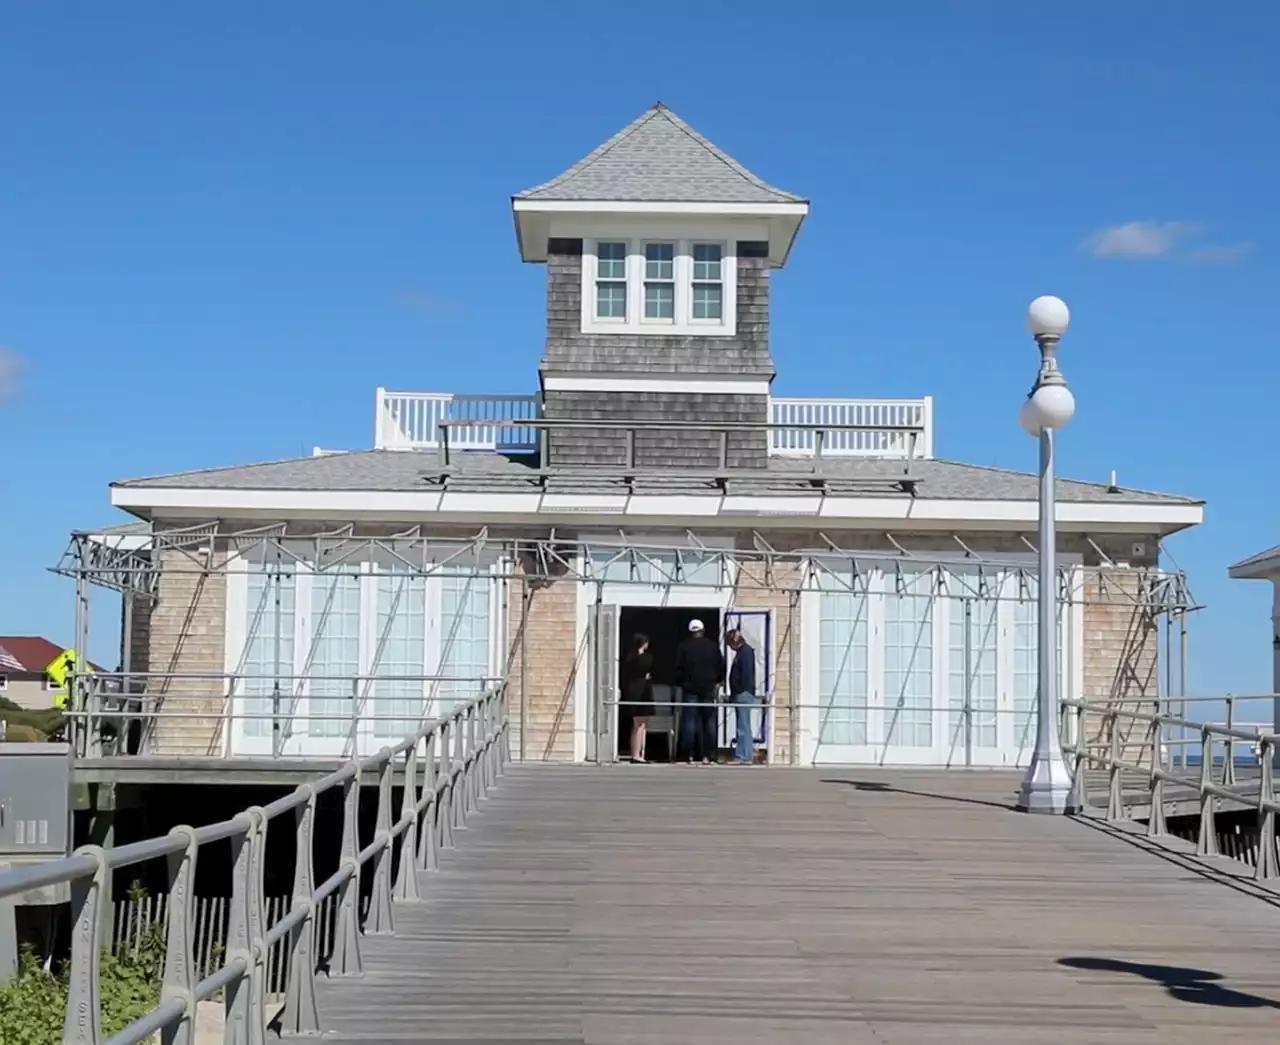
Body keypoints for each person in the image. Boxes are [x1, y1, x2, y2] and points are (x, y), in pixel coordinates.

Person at [675, 618, 724, 764]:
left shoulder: (684, 646)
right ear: (702, 630)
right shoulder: (713, 647)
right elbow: (720, 666)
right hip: (708, 687)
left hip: (690, 688)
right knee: (709, 721)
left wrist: (682, 683)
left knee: (689, 721)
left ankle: (688, 754)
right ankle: (709, 755)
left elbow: (678, 668)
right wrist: (718, 681)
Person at [726, 629, 759, 764]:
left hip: (743, 693)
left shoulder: (745, 652)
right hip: (741, 692)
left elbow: (745, 674)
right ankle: (746, 754)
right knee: (743, 724)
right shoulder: (743, 652)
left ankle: (742, 755)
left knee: (742, 725)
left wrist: (738, 690)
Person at [622, 633, 654, 763]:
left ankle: (639, 752)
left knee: (640, 724)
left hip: (636, 691)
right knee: (639, 724)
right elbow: (648, 665)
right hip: (642, 692)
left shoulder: (629, 658)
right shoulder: (644, 658)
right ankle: (636, 753)